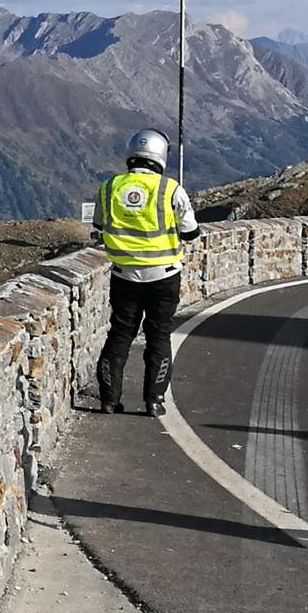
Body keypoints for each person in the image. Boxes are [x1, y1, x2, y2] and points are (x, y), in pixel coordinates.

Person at [91, 129, 199, 417]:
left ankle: (109, 400)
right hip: (164, 276)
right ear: (162, 155)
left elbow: (100, 226)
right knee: (159, 337)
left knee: (120, 335)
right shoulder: (170, 189)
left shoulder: (109, 187)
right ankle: (154, 401)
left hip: (124, 275)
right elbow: (191, 232)